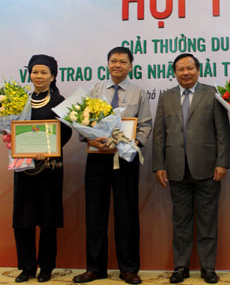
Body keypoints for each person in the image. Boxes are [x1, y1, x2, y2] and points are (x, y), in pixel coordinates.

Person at [72, 47, 152, 285]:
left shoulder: (139, 92)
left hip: (125, 160)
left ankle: (128, 269)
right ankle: (94, 268)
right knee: (94, 213)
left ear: (130, 66)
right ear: (107, 64)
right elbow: (81, 122)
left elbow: (145, 125)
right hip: (97, 158)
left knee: (126, 214)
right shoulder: (95, 90)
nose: (118, 65)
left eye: (123, 61)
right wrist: (89, 139)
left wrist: (133, 143)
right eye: (113, 61)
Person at [152, 53, 230, 284]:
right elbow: (159, 133)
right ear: (174, 73)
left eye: (189, 68)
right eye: (180, 69)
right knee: (181, 221)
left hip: (208, 168)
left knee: (208, 220)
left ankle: (208, 268)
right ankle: (180, 267)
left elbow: (222, 132)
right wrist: (158, 165)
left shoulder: (213, 93)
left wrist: (222, 162)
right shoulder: (166, 97)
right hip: (176, 168)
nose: (185, 73)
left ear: (198, 70)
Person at [13, 54, 73, 283]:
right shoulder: (20, 101)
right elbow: (12, 129)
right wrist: (14, 141)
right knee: (24, 219)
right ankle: (27, 267)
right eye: (35, 72)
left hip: (50, 168)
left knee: (48, 219)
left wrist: (47, 148)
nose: (38, 76)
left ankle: (46, 267)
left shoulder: (59, 101)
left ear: (53, 76)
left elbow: (66, 131)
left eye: (44, 72)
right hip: (24, 168)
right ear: (29, 74)